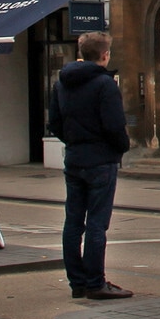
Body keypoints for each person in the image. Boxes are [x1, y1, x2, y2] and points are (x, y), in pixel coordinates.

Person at [50, 32, 132, 301]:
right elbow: (114, 126)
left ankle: (78, 282)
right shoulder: (104, 84)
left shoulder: (62, 82)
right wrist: (121, 147)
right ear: (105, 55)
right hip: (100, 161)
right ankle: (96, 283)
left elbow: (55, 123)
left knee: (73, 222)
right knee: (97, 223)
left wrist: (74, 141)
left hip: (74, 158)